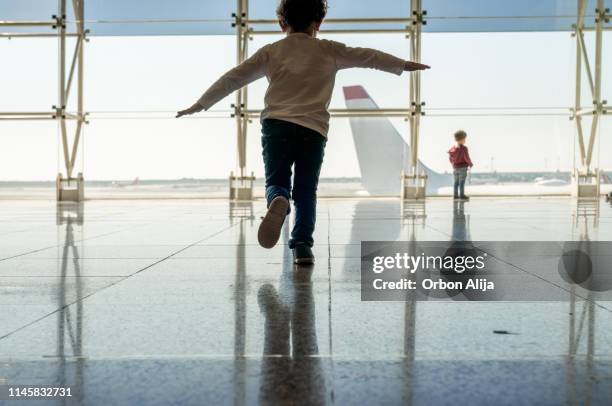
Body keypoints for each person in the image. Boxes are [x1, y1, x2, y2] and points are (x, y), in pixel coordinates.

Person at [177, 0, 430, 264]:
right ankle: (302, 247)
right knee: (307, 191)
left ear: (281, 23)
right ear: (318, 23)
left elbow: (233, 78)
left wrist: (201, 103)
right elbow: (369, 56)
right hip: (313, 130)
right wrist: (402, 64)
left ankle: (279, 199)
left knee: (277, 180)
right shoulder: (329, 49)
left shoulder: (271, 51)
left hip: (276, 125)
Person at [448, 130, 473, 201]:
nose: (465, 140)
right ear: (461, 139)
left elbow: (450, 158)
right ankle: (462, 195)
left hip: (455, 168)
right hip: (463, 168)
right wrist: (470, 164)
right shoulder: (464, 149)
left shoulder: (452, 149)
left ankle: (455, 195)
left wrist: (453, 164)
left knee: (456, 182)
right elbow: (466, 157)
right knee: (462, 182)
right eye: (464, 139)